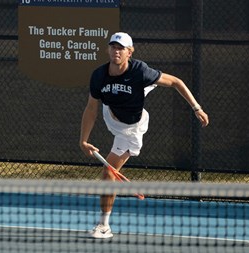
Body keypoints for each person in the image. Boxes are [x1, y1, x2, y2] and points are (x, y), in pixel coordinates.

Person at [79, 32, 209, 239]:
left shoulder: (140, 71)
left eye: (121, 48)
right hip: (110, 113)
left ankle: (104, 226)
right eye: (113, 46)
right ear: (108, 50)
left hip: (131, 129)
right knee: (116, 97)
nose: (116, 51)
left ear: (130, 52)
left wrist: (197, 108)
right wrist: (83, 140)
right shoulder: (99, 75)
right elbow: (91, 108)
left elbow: (176, 82)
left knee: (108, 173)